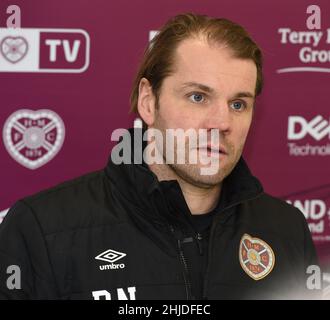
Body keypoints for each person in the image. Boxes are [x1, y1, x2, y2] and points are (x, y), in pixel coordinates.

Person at [0, 13, 320, 300]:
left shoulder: (286, 230)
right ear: (148, 103)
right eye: (198, 97)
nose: (222, 123)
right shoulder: (42, 228)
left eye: (238, 104)